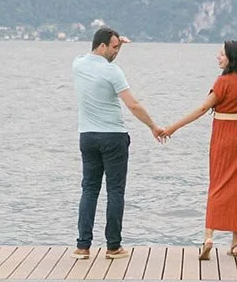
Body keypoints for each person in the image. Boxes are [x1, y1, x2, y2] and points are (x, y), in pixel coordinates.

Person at [160, 39, 237, 260]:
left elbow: (203, 108)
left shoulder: (223, 82)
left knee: (217, 183)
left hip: (223, 136)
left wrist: (172, 127)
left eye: (221, 54)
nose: (217, 57)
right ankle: (236, 243)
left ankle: (208, 236)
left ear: (231, 58)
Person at [71, 26, 167, 259]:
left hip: (88, 136)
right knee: (115, 191)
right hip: (113, 137)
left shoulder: (78, 65)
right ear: (102, 46)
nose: (117, 52)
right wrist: (153, 126)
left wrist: (117, 44)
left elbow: (98, 56)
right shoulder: (113, 72)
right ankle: (113, 246)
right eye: (114, 47)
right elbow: (133, 105)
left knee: (89, 189)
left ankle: (83, 246)